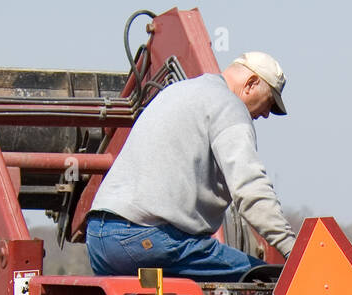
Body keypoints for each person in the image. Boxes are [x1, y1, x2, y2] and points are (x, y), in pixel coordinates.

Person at [85, 52, 297, 281]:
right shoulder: (228, 105)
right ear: (251, 84)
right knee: (264, 282)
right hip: (147, 239)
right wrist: (294, 252)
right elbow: (250, 189)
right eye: (269, 103)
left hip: (99, 238)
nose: (266, 114)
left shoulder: (177, 92)